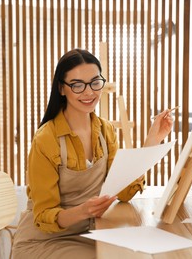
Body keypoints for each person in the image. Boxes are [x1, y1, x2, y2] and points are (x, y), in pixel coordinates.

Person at [12, 48, 173, 259]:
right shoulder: (46, 139)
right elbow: (43, 217)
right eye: (77, 85)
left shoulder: (106, 131)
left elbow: (124, 193)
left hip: (89, 233)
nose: (89, 92)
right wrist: (83, 211)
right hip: (44, 241)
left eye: (95, 82)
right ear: (62, 88)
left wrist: (152, 141)